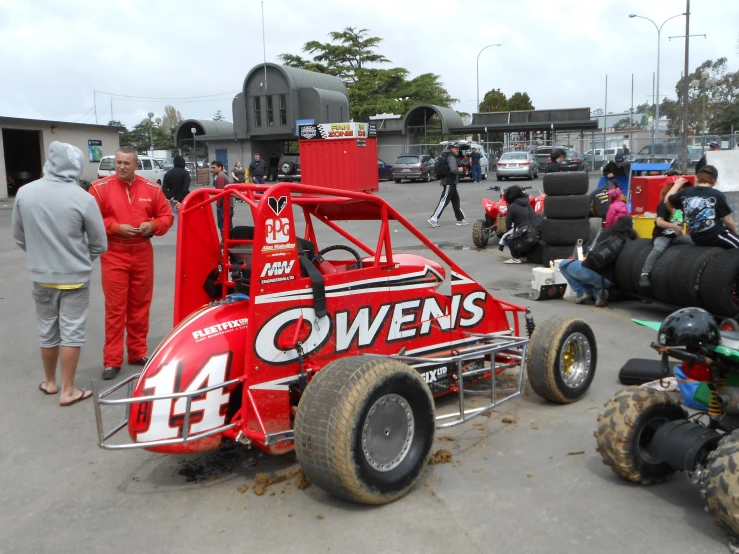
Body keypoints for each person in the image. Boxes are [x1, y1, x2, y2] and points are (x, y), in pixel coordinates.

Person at [12, 142, 108, 406]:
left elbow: (19, 237)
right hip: (75, 278)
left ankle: (50, 383)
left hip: (41, 276)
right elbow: (99, 243)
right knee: (72, 333)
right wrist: (80, 259)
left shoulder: (25, 193)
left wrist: (41, 256)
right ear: (74, 165)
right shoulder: (83, 197)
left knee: (48, 331)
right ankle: (68, 390)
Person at [89, 146, 174, 380]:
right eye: (118, 163)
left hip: (142, 252)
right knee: (116, 309)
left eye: (127, 163)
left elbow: (167, 217)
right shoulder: (99, 189)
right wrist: (116, 228)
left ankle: (137, 352)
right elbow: (91, 221)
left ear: (137, 165)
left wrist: (153, 226)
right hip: (114, 252)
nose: (122, 167)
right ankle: (112, 360)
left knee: (140, 305)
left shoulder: (153, 189)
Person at [560, 216, 637, 307]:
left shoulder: (606, 234)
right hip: (611, 281)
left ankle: (582, 292)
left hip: (592, 272)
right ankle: (598, 294)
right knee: (595, 282)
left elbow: (591, 251)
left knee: (563, 265)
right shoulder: (632, 242)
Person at [666, 165, 739, 248]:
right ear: (715, 181)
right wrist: (734, 233)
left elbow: (667, 200)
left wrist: (677, 185)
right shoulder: (717, 195)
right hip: (715, 235)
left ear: (696, 178)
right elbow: (728, 221)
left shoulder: (686, 192)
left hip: (696, 237)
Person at [638, 180, 694, 288]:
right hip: (662, 235)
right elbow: (659, 221)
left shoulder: (681, 206)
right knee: (659, 248)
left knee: (693, 241)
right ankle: (644, 273)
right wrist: (673, 226)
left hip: (675, 236)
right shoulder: (664, 204)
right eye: (682, 189)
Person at [428, 142, 467, 227]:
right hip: (449, 182)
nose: (457, 149)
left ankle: (460, 219)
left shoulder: (447, 156)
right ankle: (433, 219)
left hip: (451, 182)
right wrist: (460, 169)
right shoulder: (451, 157)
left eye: (458, 148)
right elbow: (453, 170)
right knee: (444, 201)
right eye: (455, 148)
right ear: (450, 148)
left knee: (456, 201)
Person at [501, 185, 540, 264]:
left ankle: (516, 257)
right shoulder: (527, 203)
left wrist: (508, 231)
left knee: (508, 238)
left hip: (527, 233)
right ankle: (524, 255)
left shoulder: (512, 207)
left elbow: (508, 223)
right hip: (537, 231)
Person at [162, 154, 190, 227]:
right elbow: (185, 189)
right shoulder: (185, 173)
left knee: (176, 217)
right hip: (184, 200)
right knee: (185, 218)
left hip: (173, 200)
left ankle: (179, 235)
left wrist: (172, 199)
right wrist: (180, 201)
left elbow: (164, 188)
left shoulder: (168, 173)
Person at [212, 160, 234, 232]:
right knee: (228, 227)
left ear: (220, 167)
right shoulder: (224, 176)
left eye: (214, 168)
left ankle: (226, 243)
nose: (212, 170)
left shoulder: (220, 177)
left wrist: (218, 205)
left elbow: (220, 193)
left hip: (224, 206)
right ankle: (229, 242)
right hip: (228, 205)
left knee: (224, 227)